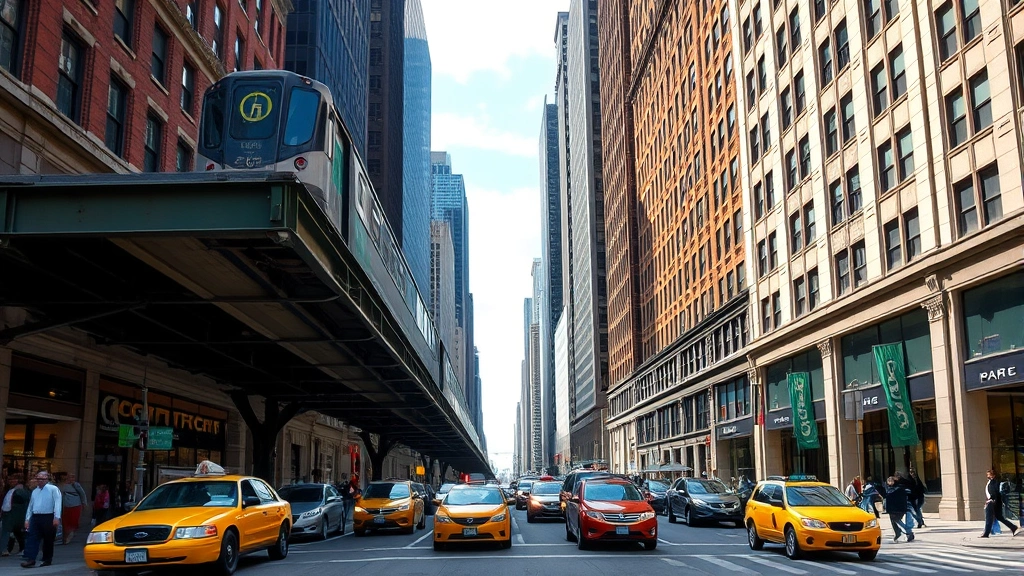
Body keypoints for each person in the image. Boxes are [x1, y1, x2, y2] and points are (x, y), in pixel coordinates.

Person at [21, 471, 62, 568]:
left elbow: (57, 503)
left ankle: (47, 558)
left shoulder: (53, 489)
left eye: (42, 479)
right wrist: (27, 519)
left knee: (48, 539)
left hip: (48, 516)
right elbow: (30, 506)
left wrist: (57, 517)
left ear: (47, 479)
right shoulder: (35, 491)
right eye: (38, 479)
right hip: (36, 516)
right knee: (32, 538)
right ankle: (31, 559)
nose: (40, 481)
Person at [981, 469, 1018, 538]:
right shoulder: (991, 482)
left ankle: (986, 533)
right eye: (987, 474)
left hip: (993, 502)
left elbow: (994, 492)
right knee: (999, 517)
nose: (988, 476)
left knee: (989, 517)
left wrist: (991, 500)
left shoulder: (994, 482)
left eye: (989, 474)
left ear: (993, 475)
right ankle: (1013, 527)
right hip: (995, 501)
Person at [0, 474, 30, 557]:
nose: (11, 481)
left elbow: (23, 501)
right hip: (12, 514)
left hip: (13, 514)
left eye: (14, 479)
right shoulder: (13, 489)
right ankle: (20, 549)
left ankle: (4, 549)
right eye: (10, 479)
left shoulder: (20, 490)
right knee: (17, 533)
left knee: (7, 532)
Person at [57, 472, 87, 544]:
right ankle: (64, 537)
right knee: (65, 522)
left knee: (73, 522)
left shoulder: (76, 485)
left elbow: (82, 493)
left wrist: (84, 502)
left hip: (75, 506)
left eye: (73, 477)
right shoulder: (63, 485)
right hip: (66, 506)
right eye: (70, 477)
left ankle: (69, 537)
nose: (71, 479)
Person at [883, 475, 914, 542]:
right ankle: (900, 532)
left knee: (897, 520)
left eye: (892, 481)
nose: (890, 482)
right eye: (889, 481)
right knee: (894, 521)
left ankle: (907, 532)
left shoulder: (899, 488)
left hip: (899, 508)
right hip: (892, 509)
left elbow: (903, 498)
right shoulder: (888, 489)